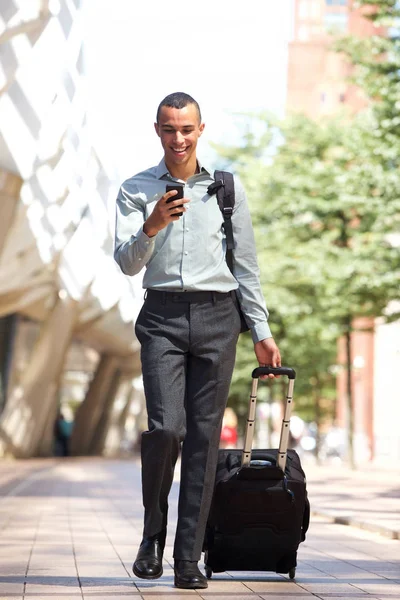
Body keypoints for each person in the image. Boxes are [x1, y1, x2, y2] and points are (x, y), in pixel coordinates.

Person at [114, 92, 281, 590]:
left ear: (200, 130)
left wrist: (262, 331)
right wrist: (153, 224)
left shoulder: (226, 188)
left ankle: (188, 557)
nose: (179, 138)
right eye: (170, 129)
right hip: (162, 317)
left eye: (187, 129)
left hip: (217, 317)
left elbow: (245, 266)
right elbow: (126, 262)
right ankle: (152, 536)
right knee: (166, 430)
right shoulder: (135, 188)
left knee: (205, 443)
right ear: (158, 130)